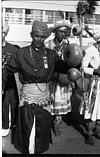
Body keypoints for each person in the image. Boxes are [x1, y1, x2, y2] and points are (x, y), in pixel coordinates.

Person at [2, 20, 71, 154]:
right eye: (36, 36)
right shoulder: (20, 53)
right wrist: (2, 86)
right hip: (27, 98)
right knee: (27, 129)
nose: (39, 39)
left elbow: (64, 67)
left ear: (45, 37)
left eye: (42, 36)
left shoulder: (51, 55)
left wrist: (74, 59)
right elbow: (7, 71)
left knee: (41, 130)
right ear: (31, 35)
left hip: (44, 99)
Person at [45, 20, 73, 136]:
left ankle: (57, 123)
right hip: (51, 78)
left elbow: (72, 61)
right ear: (55, 32)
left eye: (65, 32)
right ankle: (47, 122)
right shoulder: (48, 45)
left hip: (64, 78)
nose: (63, 34)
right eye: (61, 31)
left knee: (61, 101)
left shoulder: (68, 46)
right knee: (49, 101)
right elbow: (45, 62)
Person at [80, 31, 100, 145]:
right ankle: (89, 133)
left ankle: (97, 129)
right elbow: (82, 68)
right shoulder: (91, 50)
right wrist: (95, 71)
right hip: (94, 84)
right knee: (91, 108)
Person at [2, 24, 19, 137]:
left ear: (6, 34)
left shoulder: (13, 49)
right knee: (3, 105)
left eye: (2, 32)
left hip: (10, 82)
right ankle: (4, 126)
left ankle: (14, 124)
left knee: (14, 103)